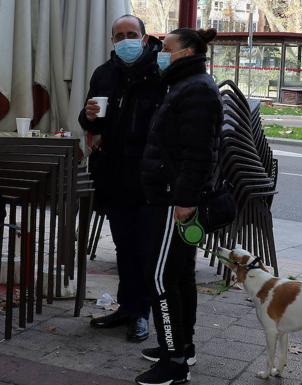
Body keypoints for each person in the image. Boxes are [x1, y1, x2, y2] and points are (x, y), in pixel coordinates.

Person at [136, 28, 222, 385]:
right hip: (173, 196)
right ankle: (180, 346)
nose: (159, 53)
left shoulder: (196, 89)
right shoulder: (187, 85)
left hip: (175, 200)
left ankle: (174, 360)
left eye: (165, 48)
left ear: (186, 52)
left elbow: (197, 153)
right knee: (179, 274)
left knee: (161, 278)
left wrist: (184, 200)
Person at [78, 15, 165, 343]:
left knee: (142, 248)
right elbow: (90, 118)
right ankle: (127, 307)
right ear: (112, 41)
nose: (125, 40)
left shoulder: (159, 72)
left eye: (131, 34)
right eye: (119, 36)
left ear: (144, 38)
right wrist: (87, 119)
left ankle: (141, 313)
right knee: (123, 245)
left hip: (147, 176)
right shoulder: (104, 74)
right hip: (113, 173)